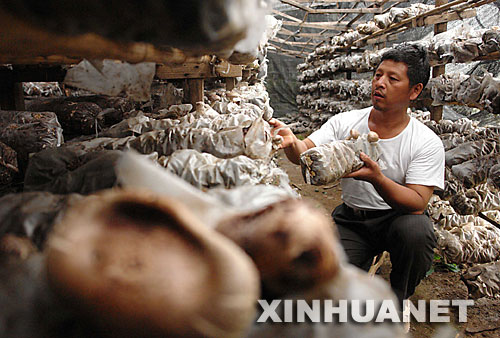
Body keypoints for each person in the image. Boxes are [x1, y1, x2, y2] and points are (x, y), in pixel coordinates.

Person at [270, 44, 445, 307]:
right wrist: (293, 142)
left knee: (416, 232)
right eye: (377, 75)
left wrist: (378, 178)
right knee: (325, 283)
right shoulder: (346, 122)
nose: (380, 83)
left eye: (392, 78)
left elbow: (418, 201)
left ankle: (400, 298)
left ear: (415, 90)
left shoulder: (424, 141)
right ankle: (357, 267)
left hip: (397, 219)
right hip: (354, 220)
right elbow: (305, 153)